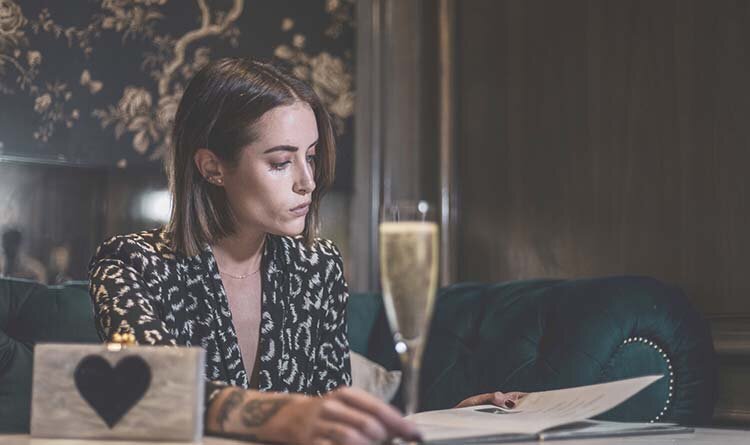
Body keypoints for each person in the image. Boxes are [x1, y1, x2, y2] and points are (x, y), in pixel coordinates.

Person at [89, 58, 520, 445]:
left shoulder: (318, 265)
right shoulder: (130, 264)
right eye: (280, 162)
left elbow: (330, 412)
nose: (307, 181)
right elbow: (150, 388)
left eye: (310, 157)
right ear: (212, 167)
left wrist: (438, 422)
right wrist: (282, 414)